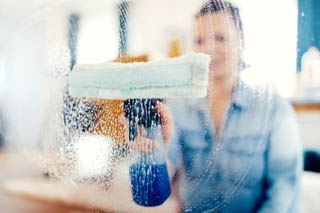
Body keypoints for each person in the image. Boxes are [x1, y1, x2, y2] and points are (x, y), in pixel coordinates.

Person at [159, 0, 303, 212]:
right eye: (199, 40)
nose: (208, 49)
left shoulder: (273, 109)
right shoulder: (177, 108)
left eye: (220, 38)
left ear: (241, 42)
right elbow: (164, 184)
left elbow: (284, 192)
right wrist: (154, 150)